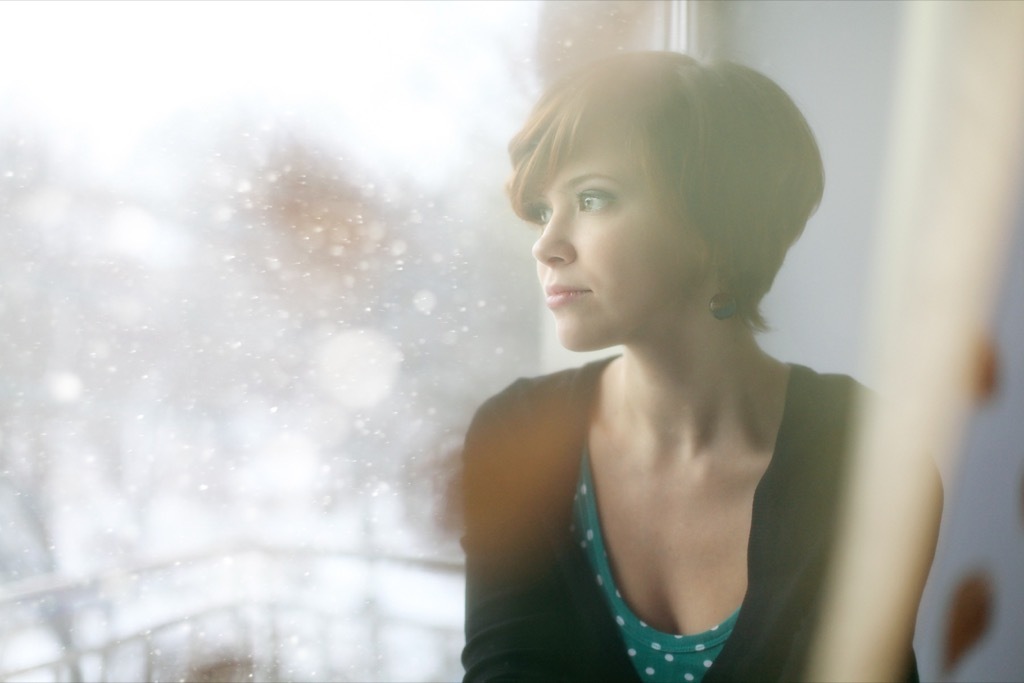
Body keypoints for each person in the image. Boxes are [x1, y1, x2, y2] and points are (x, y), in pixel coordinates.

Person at [459, 52, 929, 682]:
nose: (547, 244)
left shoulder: (865, 451)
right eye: (544, 210)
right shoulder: (514, 434)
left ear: (714, 223)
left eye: (593, 198)